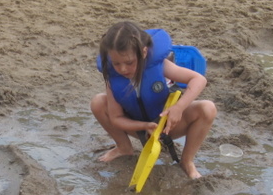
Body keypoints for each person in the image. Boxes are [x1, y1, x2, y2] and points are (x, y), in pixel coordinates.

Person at [90, 21, 217, 180]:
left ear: (143, 52)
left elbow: (199, 80)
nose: (123, 69)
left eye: (129, 62)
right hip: (139, 128)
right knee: (98, 102)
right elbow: (116, 118)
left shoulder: (159, 65)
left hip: (169, 125)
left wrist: (179, 107)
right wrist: (144, 126)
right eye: (116, 63)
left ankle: (187, 161)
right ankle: (124, 148)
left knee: (208, 108)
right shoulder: (113, 77)